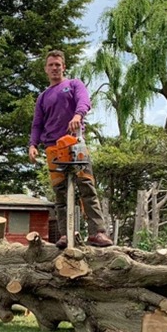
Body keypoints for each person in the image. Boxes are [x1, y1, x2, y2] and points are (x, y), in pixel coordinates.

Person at [29, 50, 113, 249]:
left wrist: (78, 116)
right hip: (53, 148)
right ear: (46, 69)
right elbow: (37, 124)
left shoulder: (74, 84)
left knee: (87, 186)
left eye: (58, 64)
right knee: (60, 194)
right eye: (51, 65)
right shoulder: (43, 97)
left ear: (63, 67)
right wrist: (33, 145)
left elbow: (84, 102)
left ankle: (97, 232)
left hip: (75, 143)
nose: (55, 68)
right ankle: (67, 234)